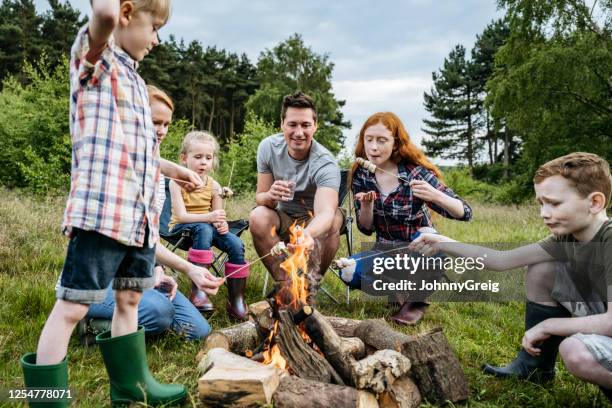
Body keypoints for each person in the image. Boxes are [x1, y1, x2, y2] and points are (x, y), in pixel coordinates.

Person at [20, 1, 204, 405]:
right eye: (153, 26)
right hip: (102, 216)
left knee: (130, 299)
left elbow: (138, 151)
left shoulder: (136, 82)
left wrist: (174, 169)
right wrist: (108, 9)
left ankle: (131, 388)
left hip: (138, 220)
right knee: (71, 307)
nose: (156, 39)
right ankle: (48, 399)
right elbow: (101, 15)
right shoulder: (96, 63)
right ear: (125, 13)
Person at [409, 152, 612, 398]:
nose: (544, 213)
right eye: (541, 204)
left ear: (595, 202)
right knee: (541, 270)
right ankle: (533, 368)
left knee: (575, 351)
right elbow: (501, 260)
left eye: (555, 203)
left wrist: (549, 325)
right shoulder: (566, 238)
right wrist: (443, 242)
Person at [84, 85, 222, 341]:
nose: (161, 131)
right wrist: (189, 268)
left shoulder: (154, 170)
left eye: (166, 124)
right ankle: (92, 325)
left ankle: (139, 318)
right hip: (100, 277)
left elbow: (151, 236)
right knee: (159, 313)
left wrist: (157, 270)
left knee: (197, 331)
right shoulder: (117, 167)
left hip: (138, 270)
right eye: (154, 122)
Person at [345, 112, 472, 325]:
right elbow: (366, 229)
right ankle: (398, 289)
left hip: (417, 249)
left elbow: (464, 212)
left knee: (431, 241)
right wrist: (367, 207)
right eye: (369, 139)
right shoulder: (361, 174)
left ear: (396, 143)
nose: (373, 147)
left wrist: (435, 195)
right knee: (347, 271)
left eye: (382, 140)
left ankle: (416, 300)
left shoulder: (415, 173)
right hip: (385, 250)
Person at [249, 91, 343, 303]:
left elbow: (326, 213)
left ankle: (309, 285)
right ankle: (287, 286)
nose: (299, 132)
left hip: (314, 220)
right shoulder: (268, 148)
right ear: (282, 124)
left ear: (315, 126)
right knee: (258, 217)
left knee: (335, 219)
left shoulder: (325, 162)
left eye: (305, 125)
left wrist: (307, 235)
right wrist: (271, 196)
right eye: (292, 124)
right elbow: (261, 198)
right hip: (284, 215)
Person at [169, 131, 250, 320]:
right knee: (204, 228)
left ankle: (236, 300)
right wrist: (210, 218)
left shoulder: (214, 185)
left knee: (236, 244)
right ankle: (199, 292)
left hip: (207, 228)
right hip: (182, 230)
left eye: (208, 157)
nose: (203, 162)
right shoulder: (177, 183)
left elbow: (217, 216)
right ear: (184, 158)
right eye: (197, 157)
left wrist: (221, 224)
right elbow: (181, 216)